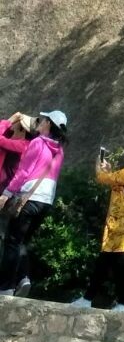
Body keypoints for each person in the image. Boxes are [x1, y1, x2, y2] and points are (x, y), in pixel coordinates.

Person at [69, 141, 124, 312]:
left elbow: (102, 178)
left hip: (117, 228)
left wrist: (98, 164)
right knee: (110, 264)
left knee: (114, 265)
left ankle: (116, 303)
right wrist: (109, 170)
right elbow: (115, 181)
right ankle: (96, 299)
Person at [0, 109, 67, 297]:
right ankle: (23, 279)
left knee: (12, 241)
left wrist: (6, 193)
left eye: (44, 119)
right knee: (22, 241)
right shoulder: (59, 150)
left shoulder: (37, 143)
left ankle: (5, 287)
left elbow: (24, 171)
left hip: (29, 198)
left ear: (48, 124)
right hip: (46, 202)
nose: (41, 121)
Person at [0, 113, 32, 193]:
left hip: (5, 188)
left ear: (23, 131)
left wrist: (8, 121)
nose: (12, 130)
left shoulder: (24, 145)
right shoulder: (27, 145)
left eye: (14, 130)